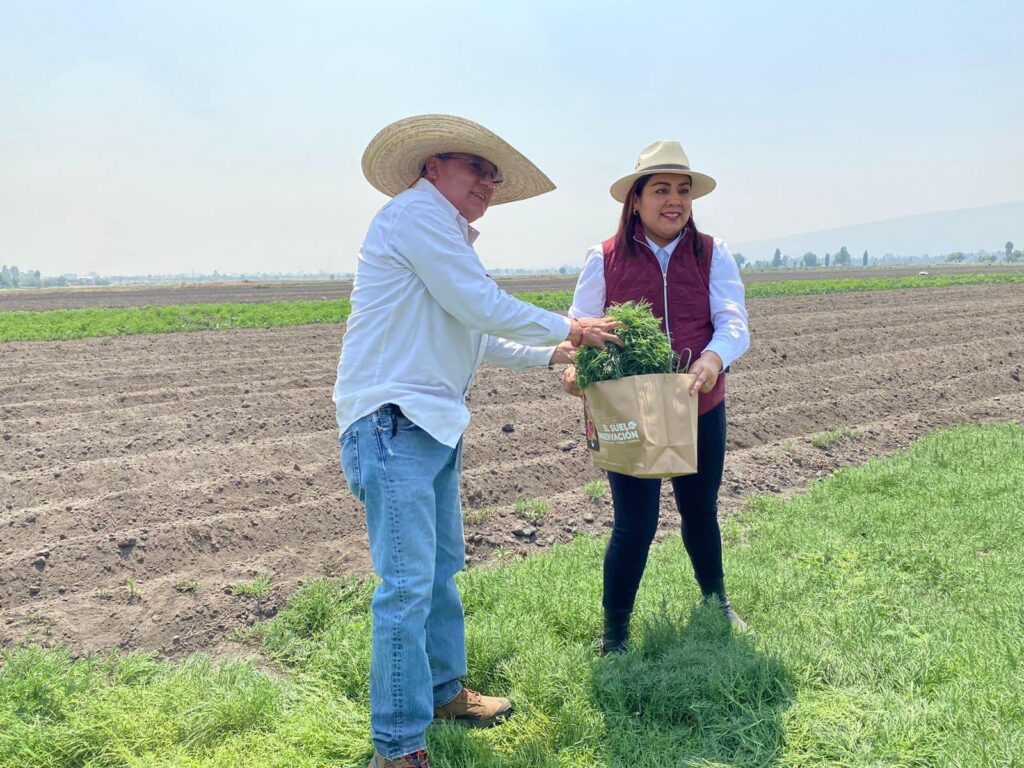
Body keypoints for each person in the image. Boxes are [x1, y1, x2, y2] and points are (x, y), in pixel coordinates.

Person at [334, 114, 620, 768]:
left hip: (427, 425)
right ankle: (398, 748)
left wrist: (553, 354)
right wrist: (573, 326)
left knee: (437, 573)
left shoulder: (446, 235)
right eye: (475, 167)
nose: (487, 181)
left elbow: (477, 332)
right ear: (433, 166)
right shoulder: (415, 218)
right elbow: (480, 302)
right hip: (391, 420)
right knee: (406, 585)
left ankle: (441, 694)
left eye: (493, 174)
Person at [562, 140, 750, 653]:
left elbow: (734, 322)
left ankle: (717, 603)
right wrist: (578, 366)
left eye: (683, 191)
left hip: (698, 403)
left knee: (701, 510)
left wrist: (714, 358)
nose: (675, 201)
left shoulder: (712, 253)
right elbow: (582, 327)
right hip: (630, 410)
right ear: (636, 200)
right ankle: (615, 634)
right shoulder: (603, 258)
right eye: (661, 190)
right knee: (635, 523)